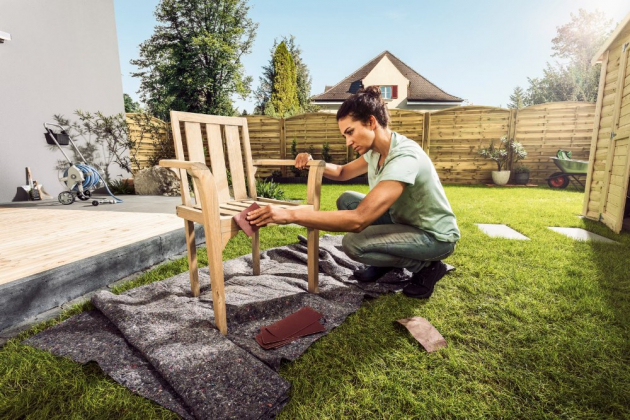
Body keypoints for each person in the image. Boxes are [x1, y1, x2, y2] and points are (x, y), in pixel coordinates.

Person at [247, 86, 460, 299]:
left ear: (371, 122)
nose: (347, 141)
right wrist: (313, 163)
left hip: (433, 236)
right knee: (347, 200)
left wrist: (289, 214)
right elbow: (340, 172)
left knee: (353, 244)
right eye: (344, 135)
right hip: (404, 221)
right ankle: (383, 262)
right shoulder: (376, 152)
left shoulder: (405, 158)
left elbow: (359, 220)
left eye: (350, 132)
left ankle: (427, 267)